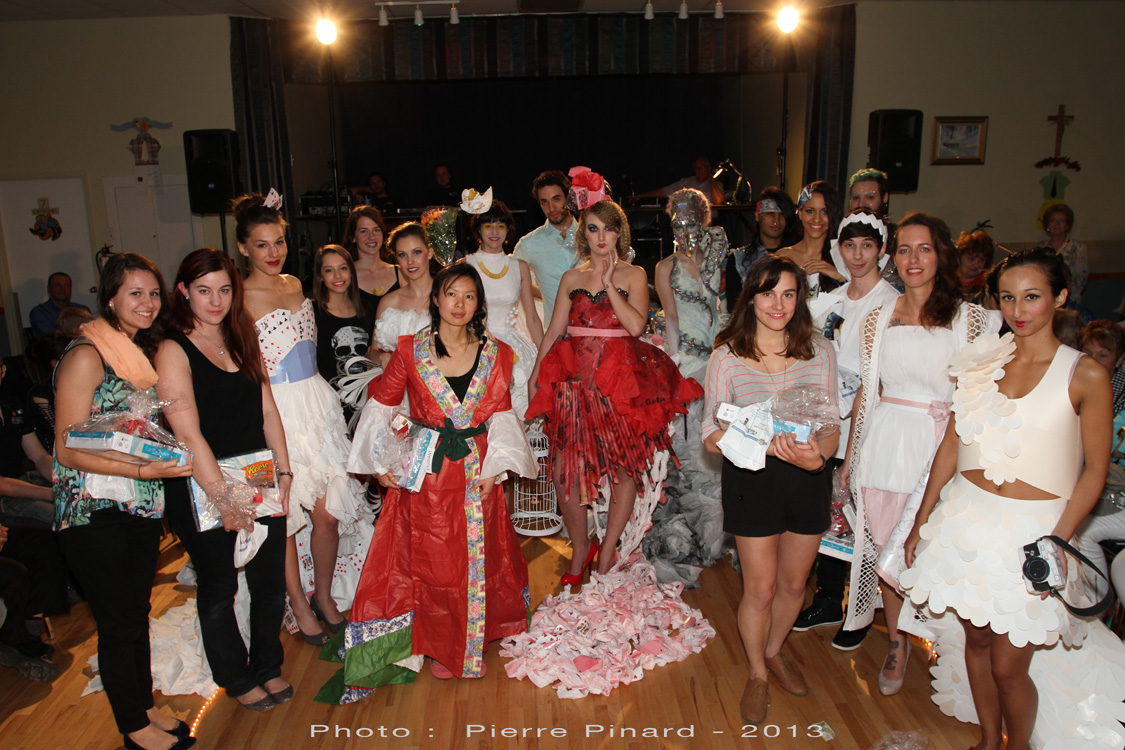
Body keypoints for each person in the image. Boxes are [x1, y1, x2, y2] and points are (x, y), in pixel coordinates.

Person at [901, 248, 1125, 750]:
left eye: (1032, 297)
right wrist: (920, 521)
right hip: (967, 519)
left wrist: (1057, 542)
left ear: (1060, 297)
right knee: (975, 643)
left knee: (1009, 663)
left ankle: (1017, 746)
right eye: (1008, 297)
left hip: (1035, 532)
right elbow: (952, 445)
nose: (1019, 310)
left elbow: (1094, 469)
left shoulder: (1084, 374)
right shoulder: (979, 362)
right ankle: (987, 739)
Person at [330, 264, 536, 699]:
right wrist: (378, 460)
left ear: (479, 304)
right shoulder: (410, 349)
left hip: (478, 470)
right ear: (436, 299)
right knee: (436, 563)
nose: (459, 304)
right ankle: (443, 645)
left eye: (468, 296)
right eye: (450, 294)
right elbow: (382, 405)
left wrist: (496, 467)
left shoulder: (497, 352)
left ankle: (474, 634)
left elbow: (501, 412)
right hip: (426, 472)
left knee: (478, 556)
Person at [842, 212, 998, 696]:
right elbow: (867, 394)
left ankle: (952, 644)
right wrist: (850, 459)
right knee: (887, 545)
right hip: (885, 444)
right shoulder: (877, 319)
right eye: (905, 249)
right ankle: (896, 640)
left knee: (937, 550)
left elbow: (981, 398)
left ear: (941, 255)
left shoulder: (971, 320)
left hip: (942, 448)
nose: (913, 259)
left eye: (924, 249)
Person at [52, 253, 195, 750]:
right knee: (118, 621)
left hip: (136, 501)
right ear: (110, 297)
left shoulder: (136, 356)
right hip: (92, 510)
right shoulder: (87, 354)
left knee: (135, 612)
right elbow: (66, 447)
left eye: (154, 293)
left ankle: (144, 707)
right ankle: (132, 727)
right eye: (135, 293)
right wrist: (143, 468)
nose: (148, 303)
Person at [527, 197, 702, 580]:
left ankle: (606, 555)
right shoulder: (572, 278)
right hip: (575, 387)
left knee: (624, 472)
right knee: (564, 475)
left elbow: (637, 327)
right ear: (583, 234)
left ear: (619, 233)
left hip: (618, 386)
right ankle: (580, 550)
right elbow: (556, 329)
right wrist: (535, 374)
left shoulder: (634, 274)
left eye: (608, 228)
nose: (601, 237)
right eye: (592, 228)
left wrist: (609, 284)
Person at [702, 255, 840, 724]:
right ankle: (758, 672)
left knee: (795, 583)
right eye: (767, 293)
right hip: (752, 479)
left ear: (799, 297)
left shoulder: (820, 351)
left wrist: (817, 457)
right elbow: (710, 432)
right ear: (751, 297)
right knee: (759, 588)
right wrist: (751, 440)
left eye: (788, 293)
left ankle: (776, 649)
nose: (777, 304)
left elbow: (831, 427)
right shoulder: (727, 356)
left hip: (807, 476)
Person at [156, 248, 293, 712]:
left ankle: (268, 664)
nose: (215, 301)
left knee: (270, 581)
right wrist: (224, 497)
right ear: (183, 292)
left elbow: (268, 410)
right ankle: (235, 676)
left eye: (224, 290)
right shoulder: (173, 348)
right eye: (203, 290)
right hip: (204, 480)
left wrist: (285, 471)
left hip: (257, 472)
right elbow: (188, 433)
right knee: (220, 588)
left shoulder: (241, 334)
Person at [234, 194, 368, 646]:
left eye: (279, 242)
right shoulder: (237, 297)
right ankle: (298, 600)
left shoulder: (295, 283)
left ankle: (325, 596)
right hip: (276, 411)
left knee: (328, 512)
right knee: (285, 515)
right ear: (242, 248)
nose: (273, 253)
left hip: (318, 403)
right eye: (261, 245)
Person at [795, 209, 900, 650]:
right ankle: (827, 599)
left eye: (867, 247)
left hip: (867, 421)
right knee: (829, 515)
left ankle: (861, 610)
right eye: (850, 246)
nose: (858, 256)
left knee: (862, 519)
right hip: (824, 420)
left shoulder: (890, 302)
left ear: (882, 251)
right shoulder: (832, 299)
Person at [650, 188, 728, 585]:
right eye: (677, 219)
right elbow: (672, 321)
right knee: (691, 450)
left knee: (717, 449)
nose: (685, 225)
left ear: (704, 216)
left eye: (692, 216)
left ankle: (715, 532)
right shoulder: (665, 266)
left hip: (720, 364)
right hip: (689, 367)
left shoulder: (717, 258)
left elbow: (723, 308)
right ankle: (694, 532)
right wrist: (676, 369)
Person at [461, 199, 542, 416]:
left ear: (508, 229)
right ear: (478, 229)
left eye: (501, 225)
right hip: (475, 343)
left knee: (524, 389)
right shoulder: (466, 264)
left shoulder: (519, 266)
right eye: (488, 225)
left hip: (515, 345)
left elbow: (532, 317)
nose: (495, 231)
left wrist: (546, 355)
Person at [1073, 320, 1125, 578]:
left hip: (1114, 488)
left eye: (1103, 355)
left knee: (1080, 530)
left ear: (1119, 359)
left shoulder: (1119, 392)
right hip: (1084, 475)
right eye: (1088, 353)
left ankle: (1096, 605)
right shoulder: (1073, 382)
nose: (1093, 360)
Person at [312, 244, 375, 429]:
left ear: (351, 272)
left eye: (343, 268)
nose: (338, 276)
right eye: (329, 270)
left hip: (364, 408)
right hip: (328, 410)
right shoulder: (312, 312)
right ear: (320, 276)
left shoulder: (367, 310)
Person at [513, 170, 579, 329]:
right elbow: (511, 280)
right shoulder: (529, 243)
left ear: (568, 198)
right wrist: (546, 293)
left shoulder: (591, 235)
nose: (551, 207)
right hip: (556, 335)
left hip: (594, 331)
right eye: (544, 202)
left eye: (556, 199)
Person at [371, 222, 441, 367]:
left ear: (430, 252)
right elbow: (372, 352)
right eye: (402, 255)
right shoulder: (389, 302)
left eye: (416, 252)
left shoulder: (446, 296)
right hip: (397, 384)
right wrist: (382, 358)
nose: (410, 262)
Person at [725, 187, 797, 312]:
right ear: (758, 216)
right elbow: (734, 309)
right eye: (769, 214)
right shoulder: (739, 259)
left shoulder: (797, 255)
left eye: (782, 215)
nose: (776, 220)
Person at [776, 181, 845, 295]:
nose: (817, 219)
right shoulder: (783, 256)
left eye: (825, 212)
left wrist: (839, 277)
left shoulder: (843, 258)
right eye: (810, 211)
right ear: (800, 213)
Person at [343, 206, 399, 312]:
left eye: (376, 230)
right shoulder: (345, 274)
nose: (372, 236)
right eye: (364, 231)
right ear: (353, 237)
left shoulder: (401, 273)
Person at [1037, 203, 1087, 303]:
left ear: (1067, 225)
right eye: (1053, 221)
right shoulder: (1040, 247)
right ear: (1047, 224)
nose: (1057, 224)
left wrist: (1067, 296)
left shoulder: (1078, 247)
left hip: (1070, 299)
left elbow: (1081, 278)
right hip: (1045, 300)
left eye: (1061, 221)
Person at [29, 271, 92, 339]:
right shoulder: (39, 312)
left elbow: (91, 333)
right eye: (57, 285)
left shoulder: (82, 309)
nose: (62, 289)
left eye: (67, 286)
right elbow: (53, 337)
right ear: (49, 289)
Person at [630, 156, 715, 203]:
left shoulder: (715, 185)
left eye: (702, 167)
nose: (699, 171)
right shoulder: (686, 182)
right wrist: (639, 196)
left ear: (708, 168)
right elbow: (665, 191)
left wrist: (713, 180)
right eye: (696, 168)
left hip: (709, 224)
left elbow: (718, 200)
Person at [955, 227, 997, 306]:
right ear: (959, 257)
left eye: (982, 260)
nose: (976, 265)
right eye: (971, 259)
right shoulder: (948, 279)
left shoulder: (988, 281)